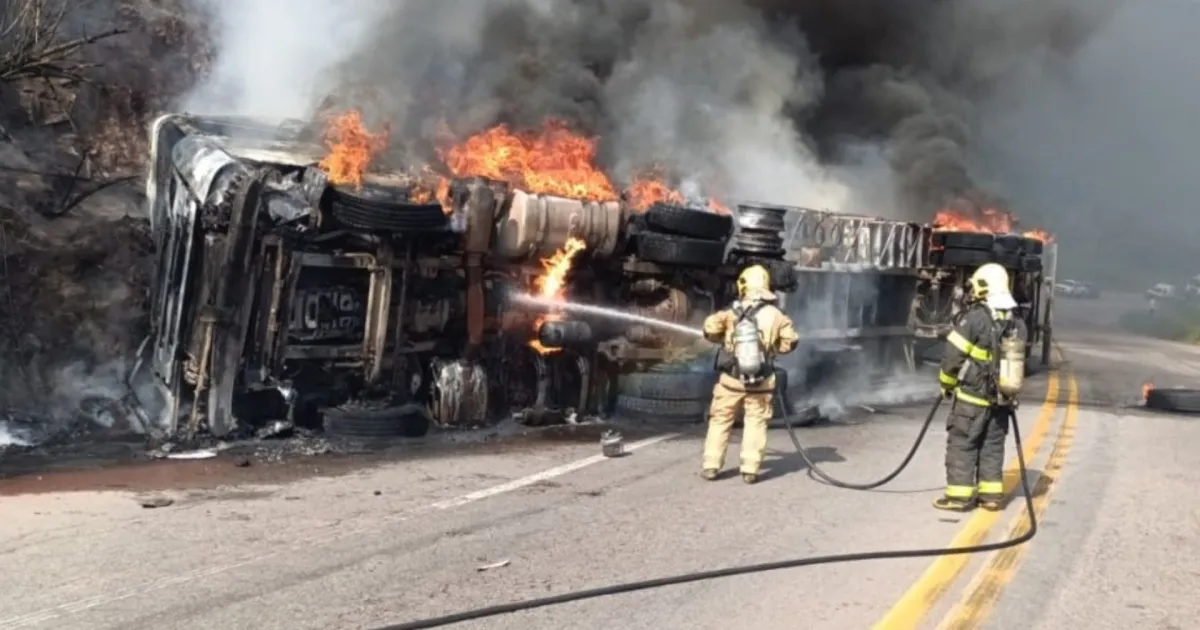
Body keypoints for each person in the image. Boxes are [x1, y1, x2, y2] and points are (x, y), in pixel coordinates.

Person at [935, 262, 1028, 512]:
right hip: (1002, 399)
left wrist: (946, 384)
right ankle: (991, 497)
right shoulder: (1017, 322)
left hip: (972, 397)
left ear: (984, 286)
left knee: (962, 443)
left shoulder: (975, 318)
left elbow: (953, 356)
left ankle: (959, 497)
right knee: (992, 447)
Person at [700, 265, 800, 484]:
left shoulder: (731, 312)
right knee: (756, 422)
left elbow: (709, 329)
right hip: (761, 381)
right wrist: (772, 349)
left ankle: (711, 465)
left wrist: (725, 338)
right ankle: (750, 469)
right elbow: (791, 341)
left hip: (730, 380)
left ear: (743, 285)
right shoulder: (776, 315)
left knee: (720, 420)